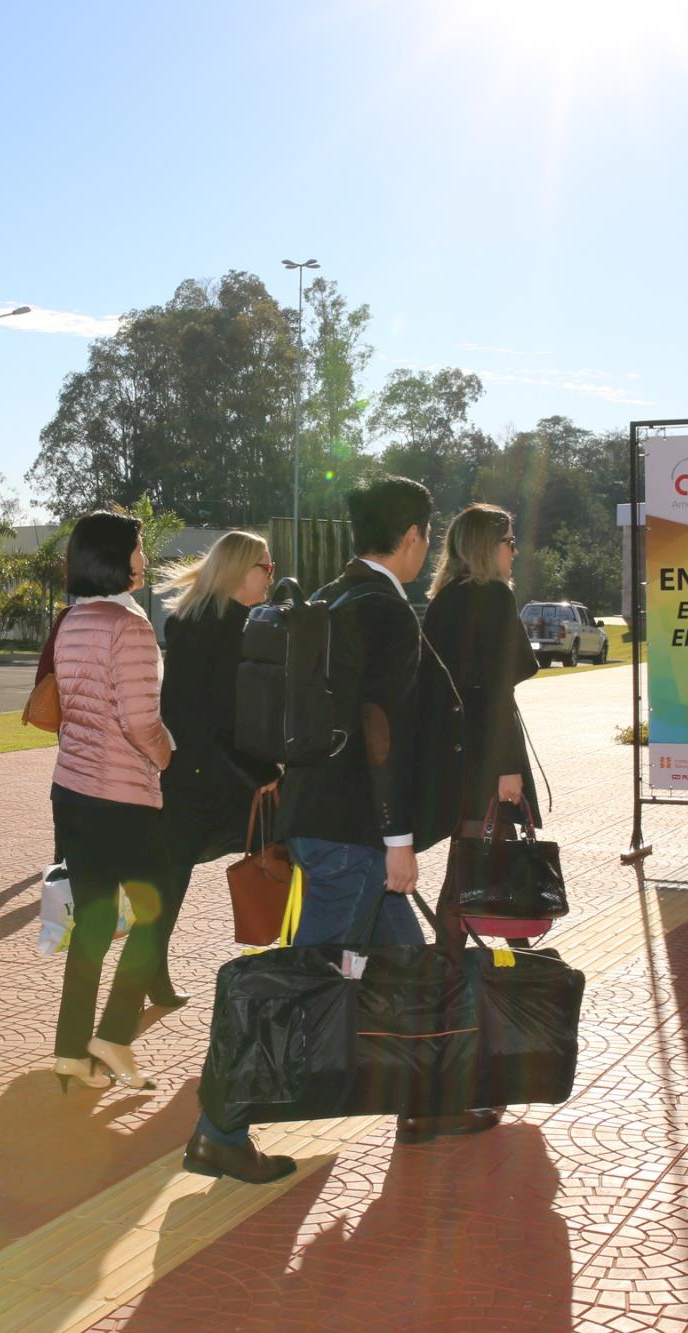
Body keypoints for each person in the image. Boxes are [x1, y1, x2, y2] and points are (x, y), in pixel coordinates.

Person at [184, 475, 481, 1186]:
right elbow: (383, 731)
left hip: (322, 818)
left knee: (411, 967)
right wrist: (398, 839)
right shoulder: (385, 609)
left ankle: (429, 1099)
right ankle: (220, 1130)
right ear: (413, 540)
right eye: (425, 538)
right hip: (358, 837)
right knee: (305, 982)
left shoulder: (334, 593)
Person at [48, 511, 174, 1094]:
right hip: (123, 795)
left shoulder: (72, 619)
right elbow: (140, 721)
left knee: (94, 924)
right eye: (139, 547)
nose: (143, 558)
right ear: (116, 557)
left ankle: (72, 1050)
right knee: (154, 920)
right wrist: (169, 755)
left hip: (71, 788)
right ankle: (114, 1036)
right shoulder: (131, 625)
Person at [152, 531, 280, 1009]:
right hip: (222, 772)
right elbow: (224, 712)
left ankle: (151, 970)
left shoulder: (194, 622)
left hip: (191, 769)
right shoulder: (231, 629)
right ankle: (295, 960)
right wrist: (263, 767)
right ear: (237, 571)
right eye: (263, 568)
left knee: (172, 874)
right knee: (291, 850)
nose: (270, 576)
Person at [421, 502, 541, 946]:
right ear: (488, 547)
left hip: (453, 748)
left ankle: (517, 951)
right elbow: (496, 689)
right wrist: (507, 767)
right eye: (510, 542)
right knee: (471, 862)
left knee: (482, 852)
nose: (515, 552)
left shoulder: (444, 599)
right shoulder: (492, 596)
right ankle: (447, 964)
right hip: (486, 749)